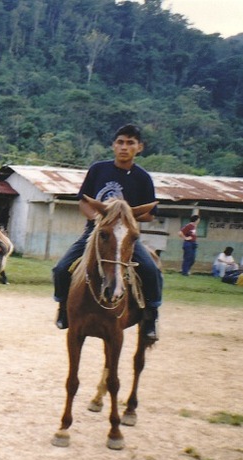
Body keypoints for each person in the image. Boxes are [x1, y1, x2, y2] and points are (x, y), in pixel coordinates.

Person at [52, 124, 162, 341]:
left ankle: (150, 316)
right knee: (61, 268)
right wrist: (99, 220)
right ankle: (64, 309)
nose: (124, 147)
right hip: (95, 233)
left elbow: (150, 214)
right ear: (113, 145)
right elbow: (84, 201)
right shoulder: (98, 170)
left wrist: (122, 220)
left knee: (151, 270)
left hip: (124, 237)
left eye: (130, 143)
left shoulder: (143, 178)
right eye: (120, 142)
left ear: (139, 148)